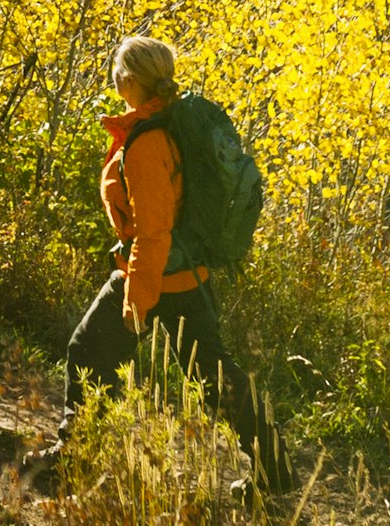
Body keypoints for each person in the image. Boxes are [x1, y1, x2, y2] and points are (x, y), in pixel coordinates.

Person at [42, 35, 275, 477]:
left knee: (89, 352)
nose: (113, 74)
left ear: (129, 81)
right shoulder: (172, 121)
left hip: (155, 275)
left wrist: (137, 300)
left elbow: (153, 231)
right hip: (186, 274)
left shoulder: (147, 143)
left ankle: (73, 463)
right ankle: (275, 470)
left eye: (116, 69)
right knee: (215, 378)